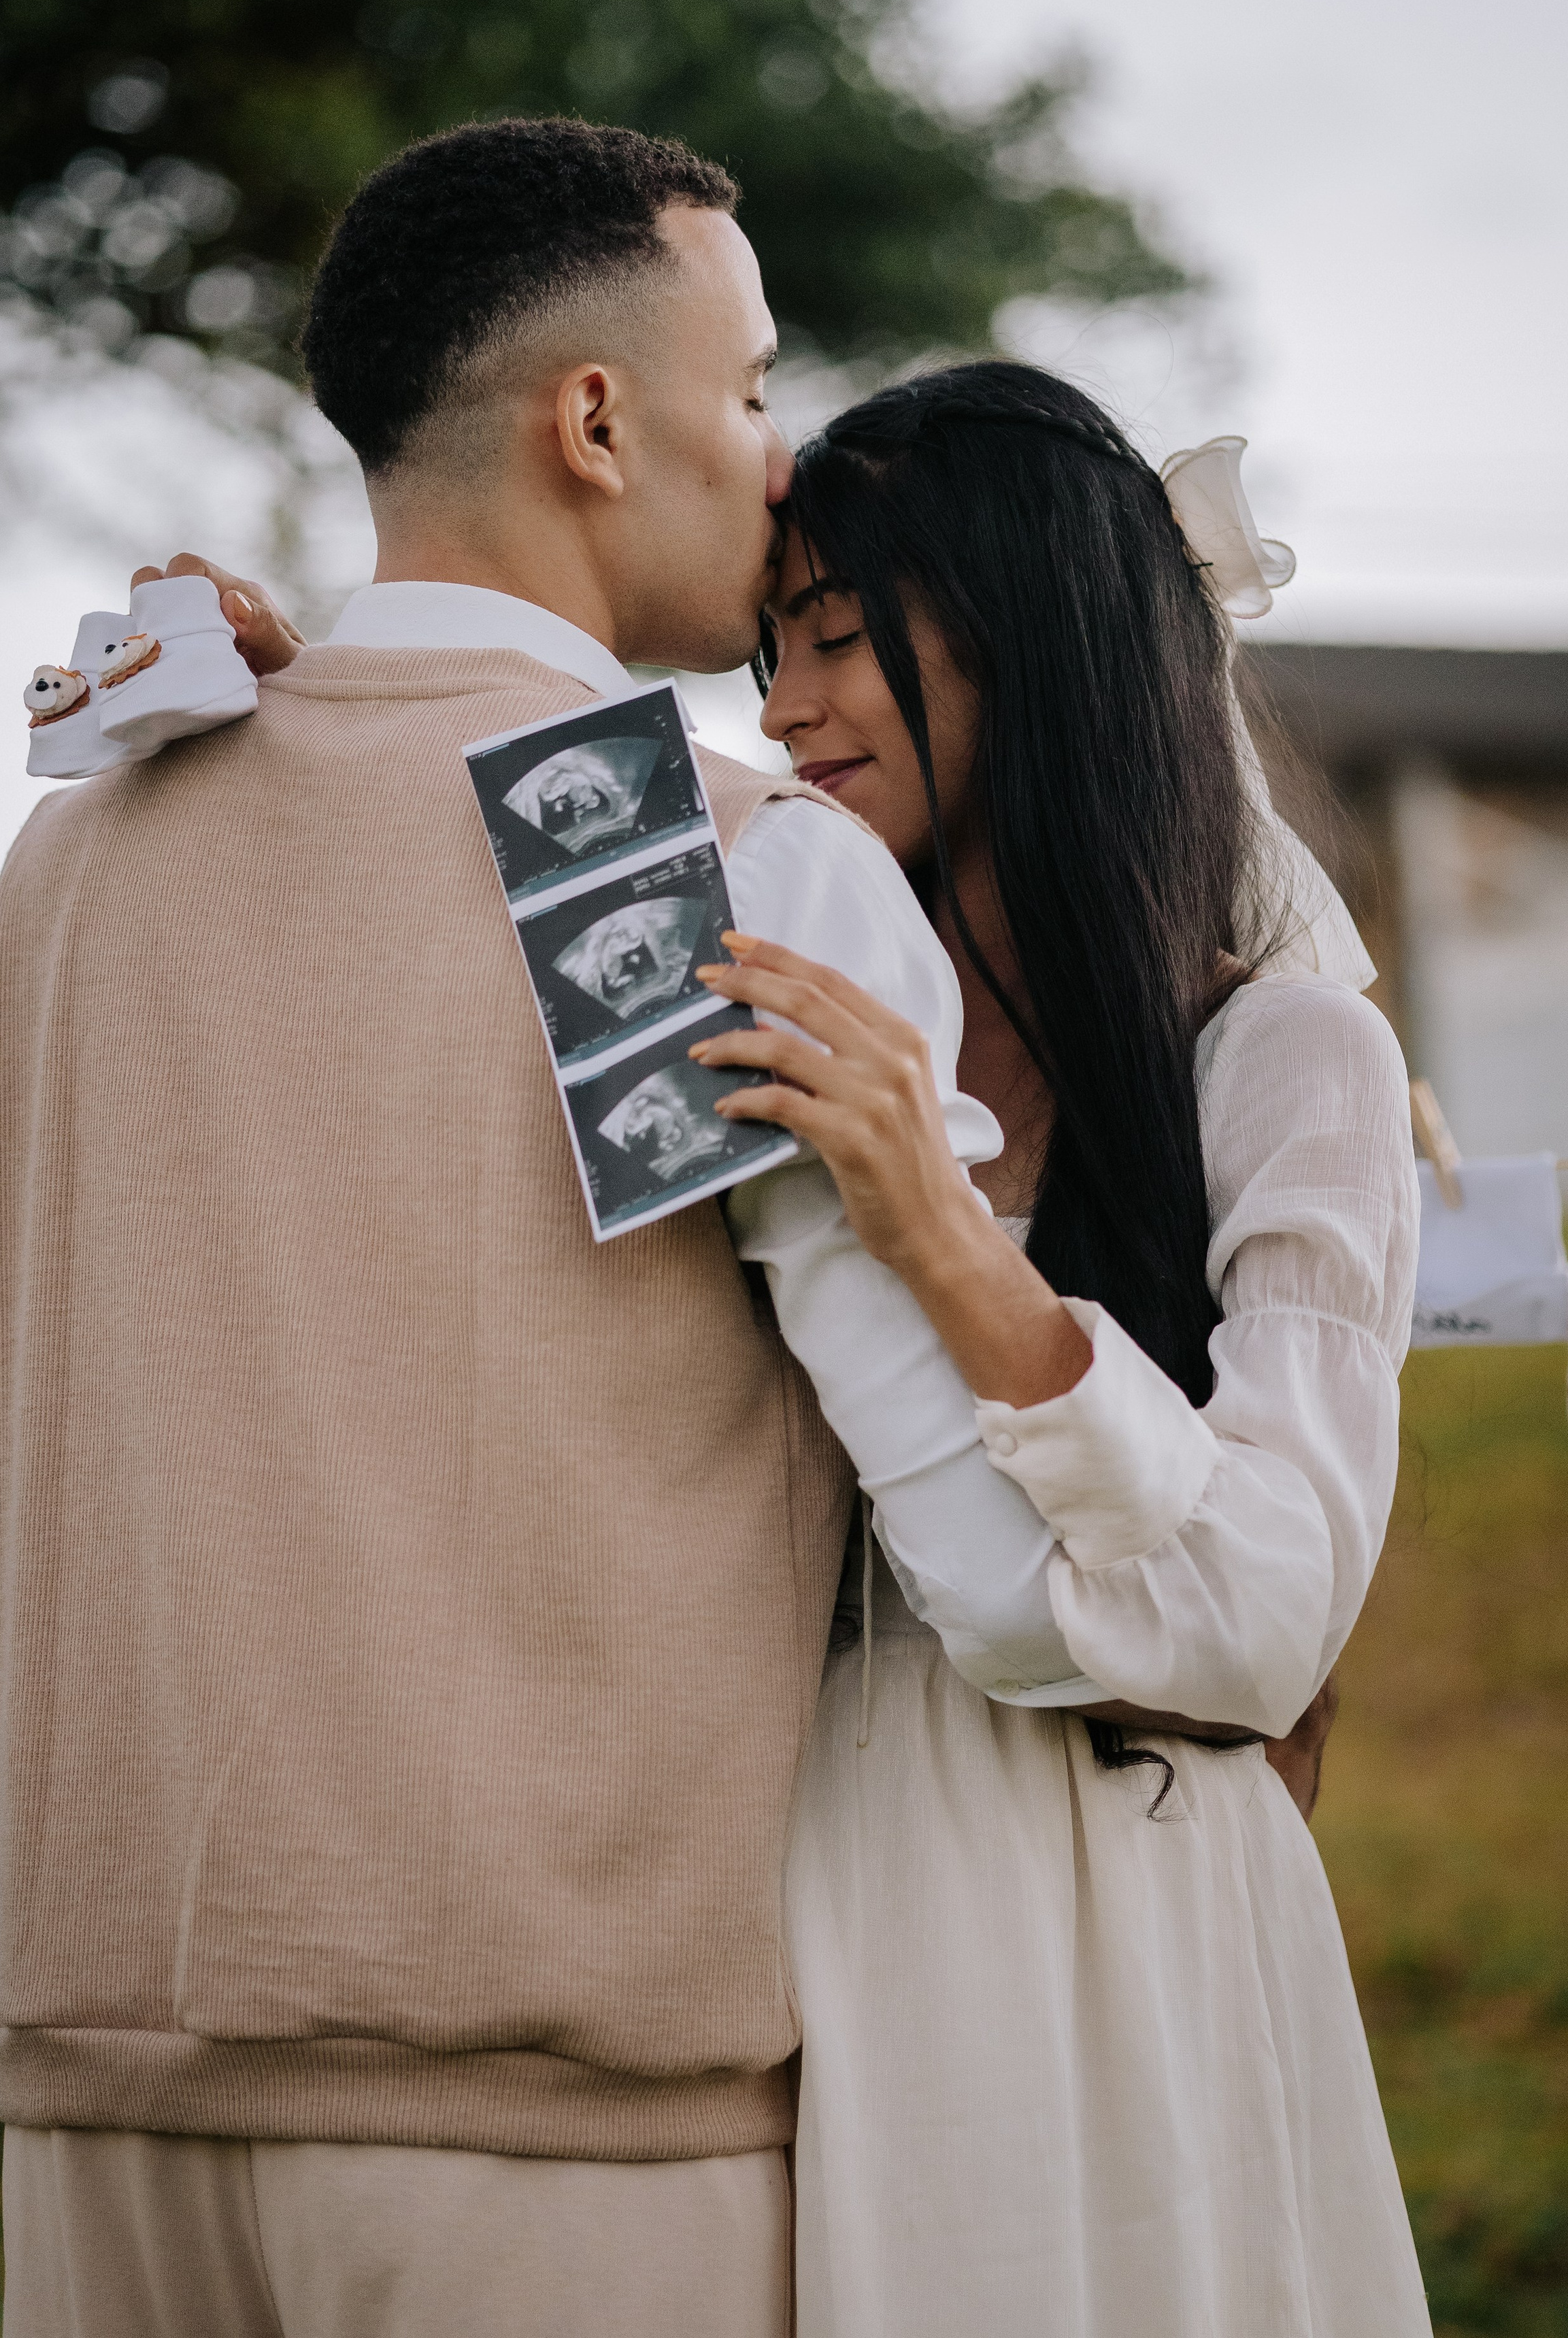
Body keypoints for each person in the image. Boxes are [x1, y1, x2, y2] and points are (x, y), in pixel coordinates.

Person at [0, 120, 1105, 2338]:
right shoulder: (720, 861)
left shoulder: (56, 867)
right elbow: (988, 1561)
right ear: (597, 420)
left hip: (100, 2077)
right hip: (557, 2109)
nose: (781, 452)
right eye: (750, 387)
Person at [686, 359, 1432, 2336]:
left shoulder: (1281, 1058)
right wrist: (283, 686)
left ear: (1031, 638)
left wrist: (936, 1228)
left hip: (1119, 1886)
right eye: (771, 646)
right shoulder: (787, 987)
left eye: (841, 638)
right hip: (760, 1874)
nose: (785, 704)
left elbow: (1268, 1610)